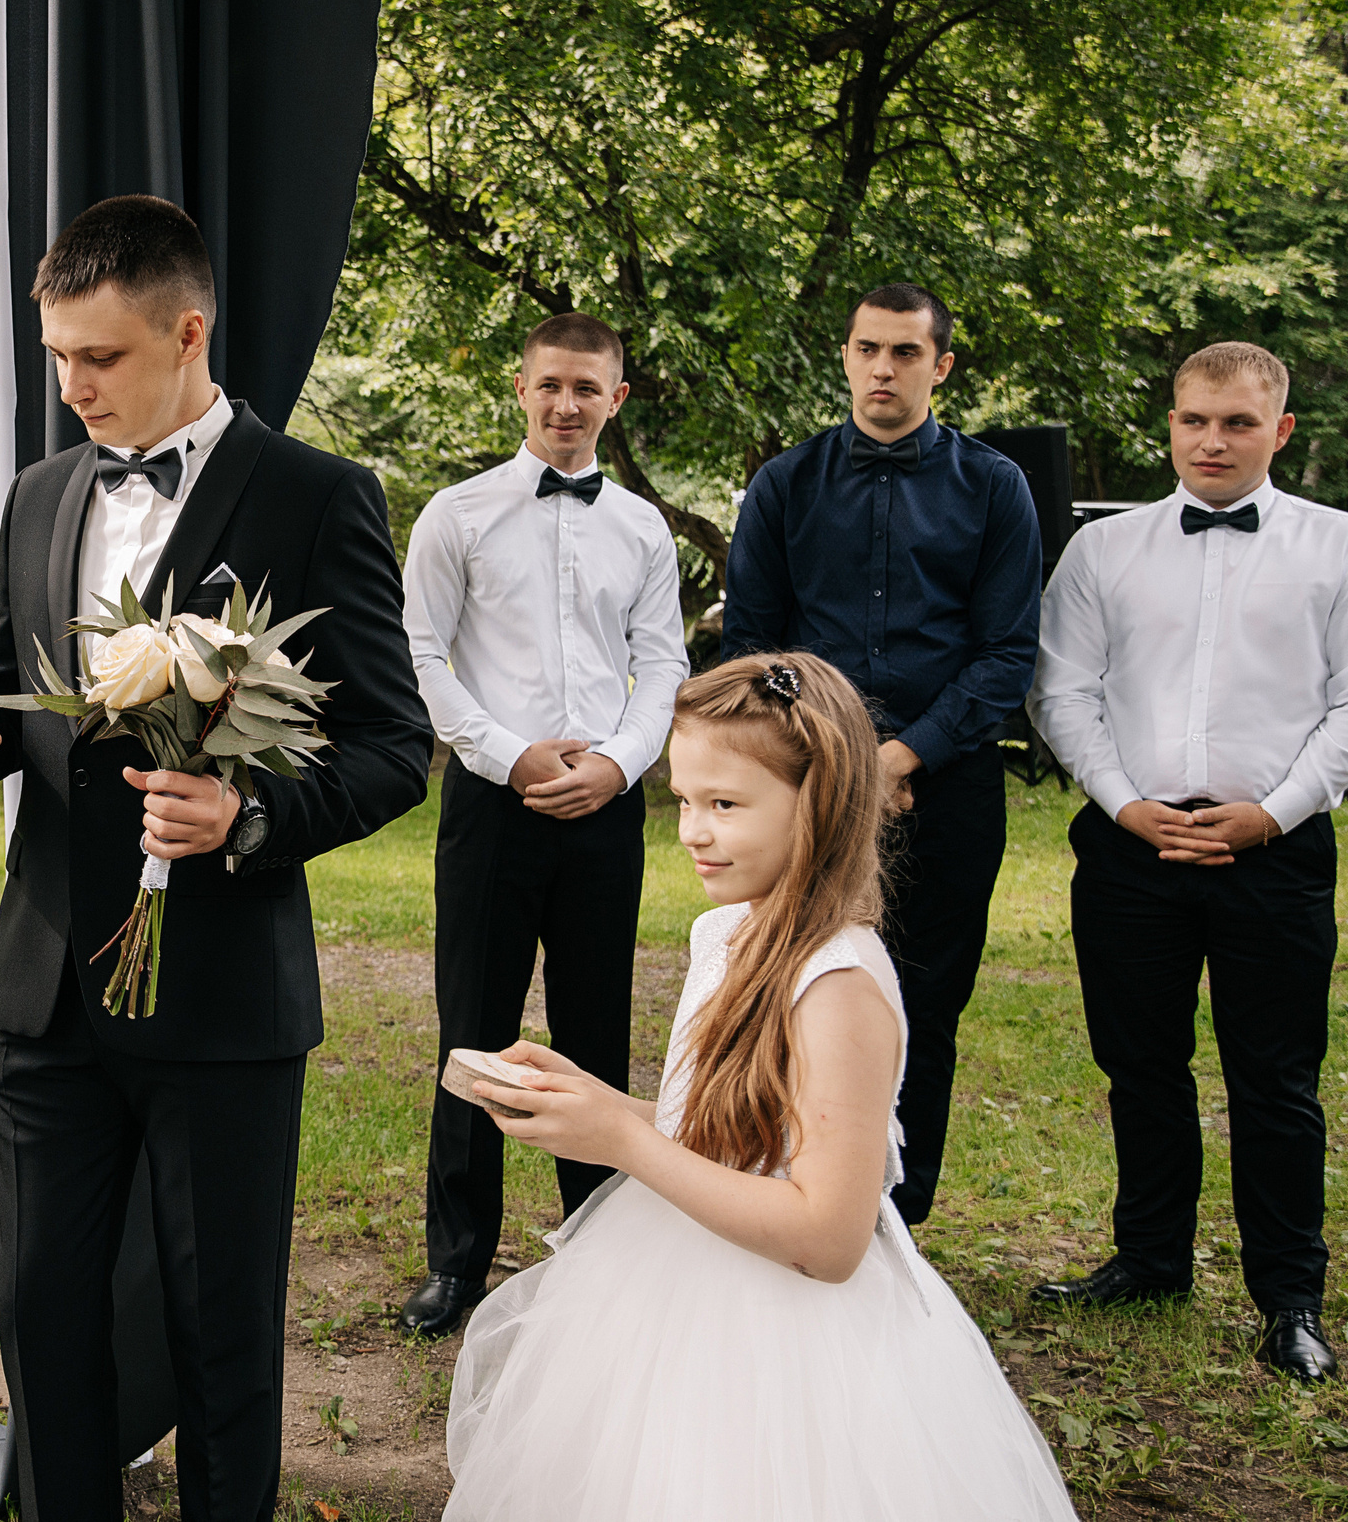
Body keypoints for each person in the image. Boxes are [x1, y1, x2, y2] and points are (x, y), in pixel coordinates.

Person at [0, 195, 433, 1522]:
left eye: (103, 357)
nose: (73, 385)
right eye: (59, 357)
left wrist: (247, 816)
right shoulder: (37, 495)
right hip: (44, 994)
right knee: (43, 1312)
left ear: (188, 331)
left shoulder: (318, 497)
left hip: (223, 999)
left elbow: (392, 743)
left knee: (222, 1328)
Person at [441, 652, 1075, 1519]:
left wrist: (624, 1143)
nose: (692, 831)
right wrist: (593, 1103)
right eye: (685, 801)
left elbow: (829, 1233)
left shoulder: (838, 981)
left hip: (790, 1342)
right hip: (680, 1282)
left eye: (725, 805)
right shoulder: (734, 930)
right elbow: (731, 1132)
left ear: (818, 805)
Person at [1025, 341, 1347, 1383]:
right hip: (1130, 853)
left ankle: (1290, 1297)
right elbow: (1061, 691)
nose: (1211, 440)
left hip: (1275, 853)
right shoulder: (1103, 552)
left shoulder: (1336, 548)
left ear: (1279, 431)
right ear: (1168, 423)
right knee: (1141, 1065)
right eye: (1193, 419)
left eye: (1237, 423)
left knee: (1275, 1078)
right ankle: (1152, 1257)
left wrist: (1276, 811)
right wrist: (1125, 806)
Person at [720, 283, 1041, 1228]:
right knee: (787, 991)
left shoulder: (994, 486)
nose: (882, 370)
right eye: (868, 350)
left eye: (905, 353)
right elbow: (753, 645)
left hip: (945, 787)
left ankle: (896, 1222)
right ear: (847, 357)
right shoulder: (787, 482)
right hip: (807, 786)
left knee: (924, 1007)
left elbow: (1006, 654)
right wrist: (837, 764)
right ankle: (792, 1196)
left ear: (940, 366)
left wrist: (903, 758)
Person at [394, 311, 686, 1338]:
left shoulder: (642, 529)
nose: (566, 404)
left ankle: (597, 1248)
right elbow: (421, 656)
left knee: (594, 1027)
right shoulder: (457, 516)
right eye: (549, 385)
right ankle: (457, 1262)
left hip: (602, 807)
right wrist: (505, 753)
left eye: (587, 388)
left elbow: (666, 664)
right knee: (473, 1025)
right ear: (520, 390)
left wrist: (615, 764)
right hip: (494, 800)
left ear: (617, 398)